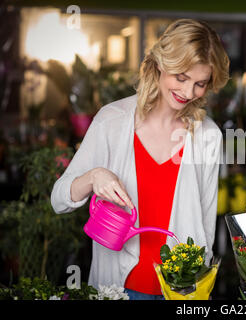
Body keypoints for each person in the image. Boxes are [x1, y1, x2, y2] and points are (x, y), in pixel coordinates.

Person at [51, 19, 230, 300]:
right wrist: (94, 176)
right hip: (119, 289)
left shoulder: (208, 135)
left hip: (180, 292)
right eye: (180, 78)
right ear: (160, 64)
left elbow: (206, 224)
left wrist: (196, 291)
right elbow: (59, 199)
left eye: (200, 84)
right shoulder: (113, 121)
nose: (187, 92)